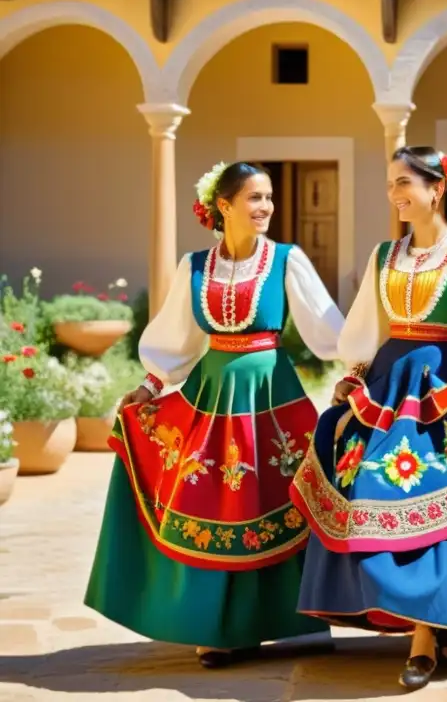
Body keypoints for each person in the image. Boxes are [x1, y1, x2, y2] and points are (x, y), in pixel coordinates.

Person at [290, 147, 447, 691]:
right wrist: (352, 376)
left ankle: (425, 637)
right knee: (373, 495)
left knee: (434, 500)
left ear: (437, 189)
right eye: (390, 184)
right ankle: (428, 621)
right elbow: (368, 327)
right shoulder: (384, 254)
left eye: (404, 182)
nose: (395, 193)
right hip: (387, 387)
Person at [84, 162, 345, 667]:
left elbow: (328, 328)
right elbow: (176, 336)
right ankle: (219, 627)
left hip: (271, 399)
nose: (266, 206)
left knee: (285, 502)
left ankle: (294, 620)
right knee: (217, 505)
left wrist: (361, 369)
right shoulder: (195, 267)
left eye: (268, 197)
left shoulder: (286, 261)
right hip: (211, 395)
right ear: (223, 206)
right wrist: (149, 385)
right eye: (254, 197)